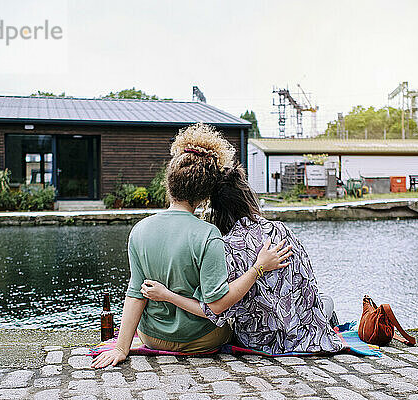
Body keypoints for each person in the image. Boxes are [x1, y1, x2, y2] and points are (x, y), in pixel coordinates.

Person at [92, 124, 292, 369]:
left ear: (169, 183)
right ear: (205, 196)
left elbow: (136, 294)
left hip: (152, 337)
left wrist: (122, 348)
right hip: (202, 340)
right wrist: (257, 268)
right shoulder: (209, 235)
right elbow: (217, 305)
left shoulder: (139, 230)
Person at [141, 164, 344, 354]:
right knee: (326, 300)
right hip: (301, 332)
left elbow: (213, 309)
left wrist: (167, 295)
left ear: (217, 210)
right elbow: (307, 282)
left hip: (259, 340)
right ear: (248, 198)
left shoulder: (225, 247)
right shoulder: (281, 230)